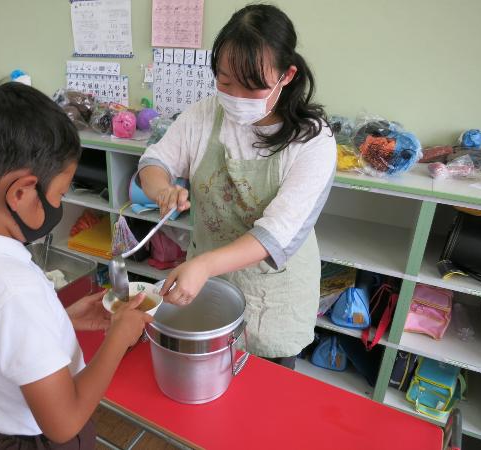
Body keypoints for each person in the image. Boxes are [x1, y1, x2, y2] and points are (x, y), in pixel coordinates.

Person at [0, 82, 152, 448]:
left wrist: (59, 318)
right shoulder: (12, 290)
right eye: (60, 194)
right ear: (20, 192)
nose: (60, 204)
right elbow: (63, 424)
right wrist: (118, 338)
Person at [138, 4, 336, 368]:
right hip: (205, 283)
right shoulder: (202, 115)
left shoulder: (313, 141)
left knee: (264, 402)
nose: (236, 98)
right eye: (226, 82)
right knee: (207, 380)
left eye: (253, 86)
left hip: (273, 296)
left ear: (286, 75)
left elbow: (277, 234)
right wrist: (161, 188)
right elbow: (154, 163)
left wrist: (204, 266)